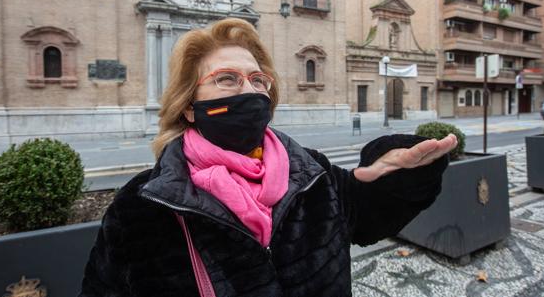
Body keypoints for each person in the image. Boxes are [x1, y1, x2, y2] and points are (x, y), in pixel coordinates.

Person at [79, 18, 457, 297]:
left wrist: (396, 173)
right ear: (190, 107)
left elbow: (368, 217)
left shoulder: (312, 173)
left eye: (258, 80)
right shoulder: (142, 206)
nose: (250, 90)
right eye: (227, 79)